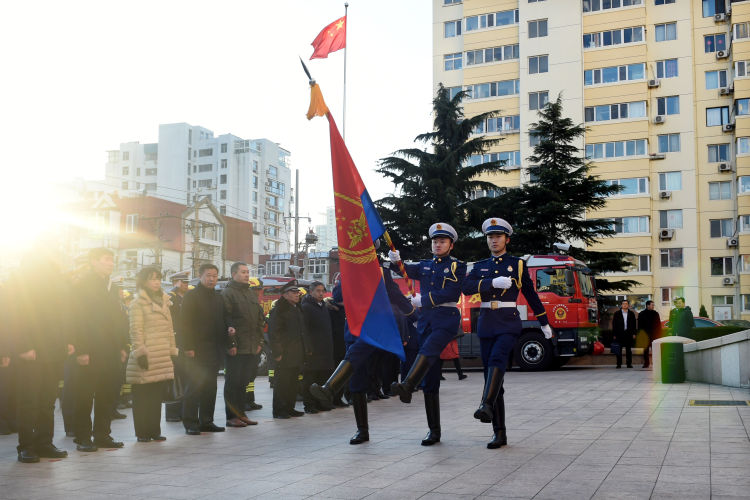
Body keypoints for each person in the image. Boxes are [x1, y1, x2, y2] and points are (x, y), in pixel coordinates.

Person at [462, 218, 553, 449]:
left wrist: (544, 322)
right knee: (493, 379)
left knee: (497, 360)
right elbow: (466, 288)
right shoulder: (480, 265)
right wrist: (491, 282)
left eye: (498, 237)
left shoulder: (518, 265)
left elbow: (531, 295)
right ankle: (499, 433)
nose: (494, 240)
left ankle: (484, 404)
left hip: (508, 323)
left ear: (507, 239)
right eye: (490, 237)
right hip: (486, 323)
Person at [389, 222, 467, 446]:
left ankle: (409, 384)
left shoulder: (457, 266)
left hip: (446, 319)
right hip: (426, 321)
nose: (438, 244)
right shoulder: (424, 265)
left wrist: (425, 300)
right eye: (435, 241)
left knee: (428, 349)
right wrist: (395, 259)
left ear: (451, 245)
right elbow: (402, 270)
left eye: (442, 241)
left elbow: (452, 291)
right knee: (431, 379)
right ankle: (434, 431)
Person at [8, 257, 73, 462]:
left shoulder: (55, 279)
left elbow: (62, 314)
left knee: (47, 401)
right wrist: (22, 347)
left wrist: (67, 340)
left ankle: (44, 442)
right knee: (29, 401)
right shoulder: (20, 280)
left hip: (53, 349)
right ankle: (26, 446)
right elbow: (12, 316)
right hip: (31, 350)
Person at [71, 248, 129, 452]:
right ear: (93, 261)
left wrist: (122, 345)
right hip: (90, 349)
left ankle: (103, 434)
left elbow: (119, 318)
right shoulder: (82, 285)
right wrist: (81, 350)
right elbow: (77, 319)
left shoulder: (112, 287)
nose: (110, 263)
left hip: (111, 348)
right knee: (85, 395)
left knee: (108, 393)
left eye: (112, 260)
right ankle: (83, 436)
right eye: (106, 260)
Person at [126, 266, 178, 442]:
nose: (156, 282)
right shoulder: (137, 303)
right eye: (152, 278)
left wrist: (172, 351)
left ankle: (154, 430)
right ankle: (142, 432)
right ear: (143, 281)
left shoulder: (164, 300)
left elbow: (170, 329)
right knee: (142, 396)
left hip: (161, 354)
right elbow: (136, 329)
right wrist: (140, 352)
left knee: (156, 396)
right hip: (147, 355)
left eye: (158, 278)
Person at [181, 263, 225, 435]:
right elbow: (185, 324)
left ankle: (207, 421)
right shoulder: (191, 296)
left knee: (210, 387)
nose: (212, 279)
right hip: (196, 350)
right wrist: (188, 346)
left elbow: (222, 320)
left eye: (214, 275)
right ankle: (190, 423)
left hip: (214, 349)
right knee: (194, 386)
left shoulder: (218, 297)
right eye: (208, 275)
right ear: (200, 276)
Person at [221, 262, 264, 427]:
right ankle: (231, 417)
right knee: (233, 383)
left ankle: (241, 413)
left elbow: (260, 319)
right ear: (234, 274)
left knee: (244, 382)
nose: (247, 275)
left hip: (252, 347)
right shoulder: (228, 293)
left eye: (248, 272)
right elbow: (227, 320)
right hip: (236, 347)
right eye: (243, 272)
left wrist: (260, 341)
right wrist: (231, 344)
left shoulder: (251, 293)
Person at [268, 281, 306, 419]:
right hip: (284, 353)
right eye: (294, 292)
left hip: (296, 352)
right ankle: (279, 410)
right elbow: (274, 333)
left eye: (297, 292)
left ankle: (290, 408)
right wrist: (277, 353)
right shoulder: (279, 310)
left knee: (292, 383)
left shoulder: (297, 308)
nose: (297, 295)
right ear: (285, 295)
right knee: (282, 383)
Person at [300, 281, 335, 413]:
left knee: (322, 377)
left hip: (325, 349)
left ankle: (321, 403)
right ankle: (309, 405)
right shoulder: (306, 307)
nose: (321, 293)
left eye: (322, 291)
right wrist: (308, 348)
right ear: (311, 291)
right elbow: (305, 330)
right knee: (310, 378)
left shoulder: (323, 306)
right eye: (318, 291)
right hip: (313, 350)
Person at [165, 271, 189, 422]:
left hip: (183, 341)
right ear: (176, 282)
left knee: (183, 377)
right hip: (174, 340)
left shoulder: (184, 297)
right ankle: (173, 413)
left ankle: (182, 409)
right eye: (183, 282)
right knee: (175, 378)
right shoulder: (171, 298)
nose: (186, 285)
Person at [612, 299, 637, 369]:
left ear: (628, 305)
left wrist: (634, 333)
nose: (625, 305)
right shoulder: (617, 313)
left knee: (628, 350)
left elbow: (634, 324)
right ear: (621, 305)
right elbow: (614, 324)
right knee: (618, 350)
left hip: (628, 334)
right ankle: (618, 364)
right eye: (623, 304)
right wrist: (614, 334)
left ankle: (629, 364)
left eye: (626, 304)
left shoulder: (631, 314)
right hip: (619, 334)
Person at [637, 300, 661, 369]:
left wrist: (659, 335)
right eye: (652, 305)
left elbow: (658, 325)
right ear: (648, 305)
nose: (653, 306)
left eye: (653, 305)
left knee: (655, 350)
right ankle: (646, 363)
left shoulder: (656, 313)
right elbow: (639, 326)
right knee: (645, 350)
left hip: (654, 335)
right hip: (645, 335)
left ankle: (656, 363)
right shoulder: (641, 314)